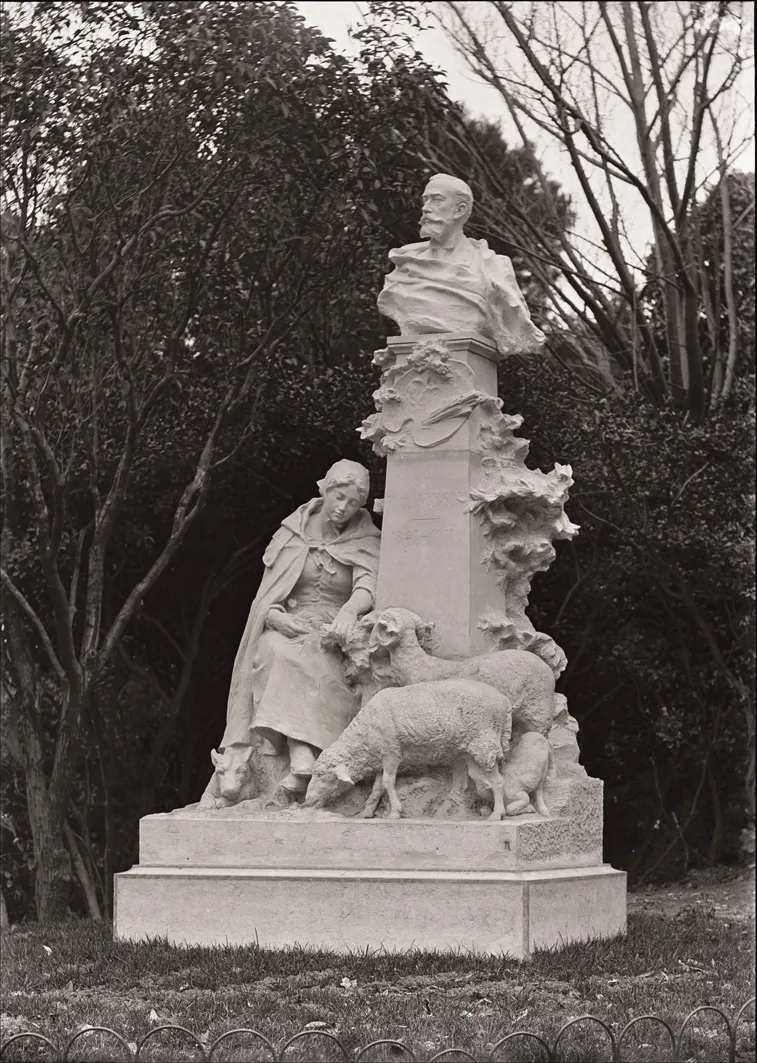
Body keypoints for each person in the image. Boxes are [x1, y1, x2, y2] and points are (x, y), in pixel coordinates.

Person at [219, 459, 381, 794]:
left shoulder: (365, 538)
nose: (344, 508)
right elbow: (268, 597)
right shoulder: (291, 535)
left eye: (353, 503)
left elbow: (369, 582)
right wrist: (276, 617)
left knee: (312, 660)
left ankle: (303, 751)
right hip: (289, 624)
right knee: (272, 649)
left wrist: (350, 611)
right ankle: (300, 753)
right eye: (339, 497)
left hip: (332, 628)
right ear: (325, 489)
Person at [377, 173, 545, 356]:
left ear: (460, 209)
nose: (425, 208)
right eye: (425, 201)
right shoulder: (405, 262)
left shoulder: (492, 265)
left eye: (437, 200)